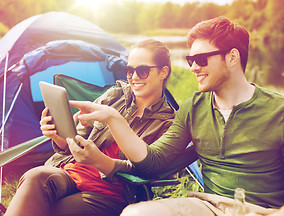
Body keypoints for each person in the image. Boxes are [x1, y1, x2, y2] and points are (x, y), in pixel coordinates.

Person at [69, 16, 284, 216]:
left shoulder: (283, 109)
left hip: (267, 210)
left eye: (201, 59)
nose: (192, 67)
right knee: (134, 213)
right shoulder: (193, 108)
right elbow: (153, 162)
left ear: (232, 57)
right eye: (190, 59)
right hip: (210, 207)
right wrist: (114, 118)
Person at [4, 39, 175, 216]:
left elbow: (148, 171)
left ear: (163, 72)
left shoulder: (167, 123)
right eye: (129, 71)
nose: (134, 77)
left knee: (48, 210)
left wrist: (99, 161)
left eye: (142, 70)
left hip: (110, 193)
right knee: (35, 177)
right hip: (71, 173)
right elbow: (76, 141)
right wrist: (58, 136)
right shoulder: (115, 96)